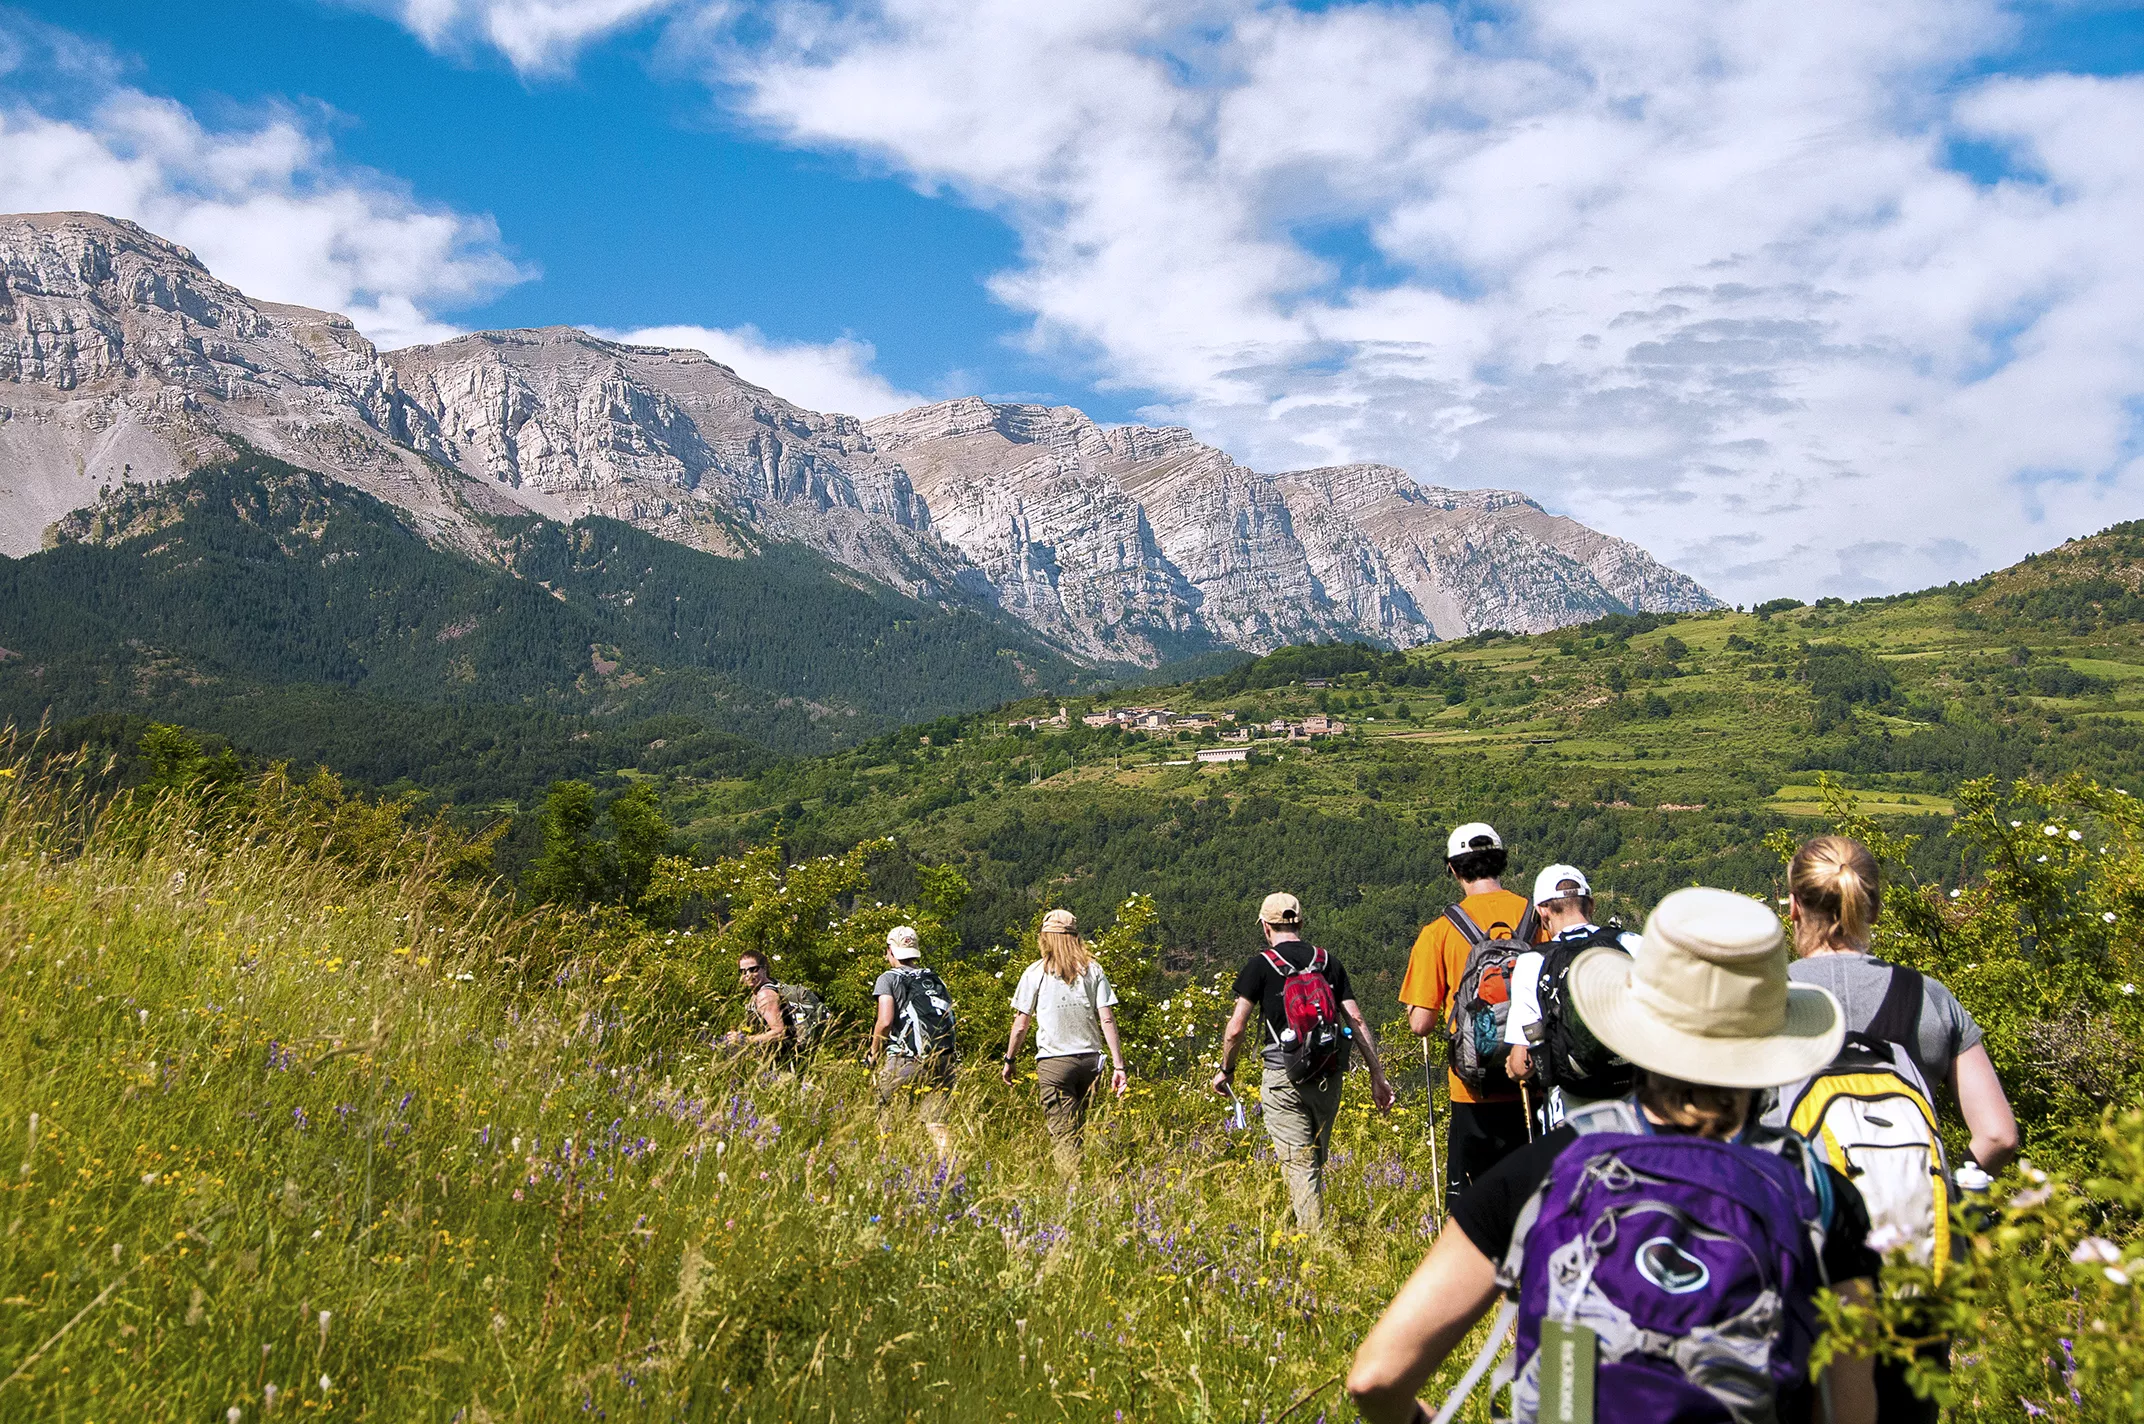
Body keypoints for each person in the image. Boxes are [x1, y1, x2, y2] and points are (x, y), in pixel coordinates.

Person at [1349, 886, 1881, 1424]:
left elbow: (1376, 1377)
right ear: (1773, 1040)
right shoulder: (1819, 1195)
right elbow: (1849, 1411)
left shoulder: (1551, 1167)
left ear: (1635, 1025)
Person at [1780, 834, 2019, 1424]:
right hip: (1914, 1254)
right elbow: (1998, 1135)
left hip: (1800, 1257)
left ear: (1793, 906)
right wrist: (1947, 1187)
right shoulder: (1929, 999)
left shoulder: (1762, 999)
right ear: (1874, 906)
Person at [1211, 892, 1395, 1230]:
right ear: (1301, 922)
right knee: (1313, 1158)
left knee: (1300, 1163)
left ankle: (1316, 1244)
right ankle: (1306, 1225)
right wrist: (1377, 1076)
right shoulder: (1328, 962)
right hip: (1328, 1075)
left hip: (1283, 1076)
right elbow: (1356, 1020)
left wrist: (1227, 1070)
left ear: (1266, 927)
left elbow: (1235, 1029)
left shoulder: (1261, 966)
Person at [1399, 822, 1543, 1209]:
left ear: (1453, 869)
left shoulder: (1440, 931)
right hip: (1531, 1080)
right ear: (1501, 862)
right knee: (1532, 1198)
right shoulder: (1535, 920)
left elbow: (1421, 1023)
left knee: (1476, 1205)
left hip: (1471, 1086)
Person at [1503, 864, 1638, 1132]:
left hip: (1571, 1110)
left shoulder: (1533, 962)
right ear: (1591, 904)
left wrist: (1513, 1068)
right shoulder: (1630, 943)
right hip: (1635, 1103)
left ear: (1543, 910)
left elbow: (1523, 1063)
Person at [1001, 908, 1129, 1172]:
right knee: (1082, 1127)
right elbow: (1106, 1019)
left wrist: (1009, 1059)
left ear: (1045, 938)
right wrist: (1119, 1067)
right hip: (1091, 1062)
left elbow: (1021, 1024)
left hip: (1054, 1063)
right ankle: (1098, 1181)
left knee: (1063, 1135)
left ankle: (1071, 1193)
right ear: (1075, 937)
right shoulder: (1093, 970)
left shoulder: (1035, 973)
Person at [868, 926, 957, 1157]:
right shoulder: (933, 977)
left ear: (890, 951)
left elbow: (885, 1021)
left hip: (906, 1058)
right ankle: (948, 1172)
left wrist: (874, 1051)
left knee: (882, 1110)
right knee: (937, 1121)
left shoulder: (887, 979)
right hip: (943, 1058)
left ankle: (885, 1165)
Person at [721, 949, 794, 1059]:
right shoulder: (768, 987)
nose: (748, 975)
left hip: (783, 1062)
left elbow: (779, 1032)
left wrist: (742, 1039)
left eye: (753, 969)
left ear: (764, 968)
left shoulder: (765, 994)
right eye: (743, 971)